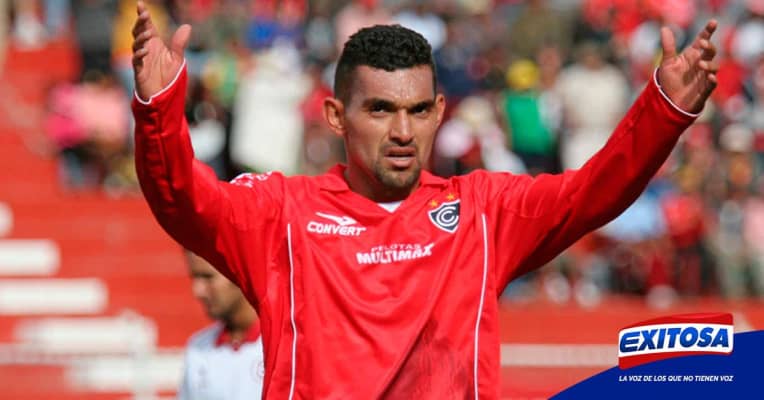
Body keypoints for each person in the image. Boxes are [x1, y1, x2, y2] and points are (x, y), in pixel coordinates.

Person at [131, 0, 719, 396]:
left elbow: (593, 194)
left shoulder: (483, 213)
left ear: (440, 112)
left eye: (417, 110)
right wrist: (158, 111)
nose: (403, 132)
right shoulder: (281, 214)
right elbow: (182, 201)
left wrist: (664, 113)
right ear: (335, 116)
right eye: (380, 109)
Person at [178, 250, 264, 400]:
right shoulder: (197, 348)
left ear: (239, 274)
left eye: (208, 277)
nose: (198, 291)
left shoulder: (288, 345)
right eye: (195, 277)